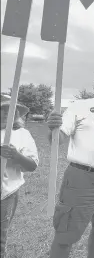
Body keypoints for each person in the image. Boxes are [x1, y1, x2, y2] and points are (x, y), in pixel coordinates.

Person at [46, 69, 94, 258]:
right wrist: (53, 128)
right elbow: (58, 140)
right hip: (81, 178)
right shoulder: (78, 106)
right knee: (66, 232)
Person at [0, 95, 39, 258]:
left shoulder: (22, 134)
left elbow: (32, 166)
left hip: (6, 192)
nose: (5, 113)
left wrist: (15, 155)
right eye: (2, 109)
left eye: (9, 110)